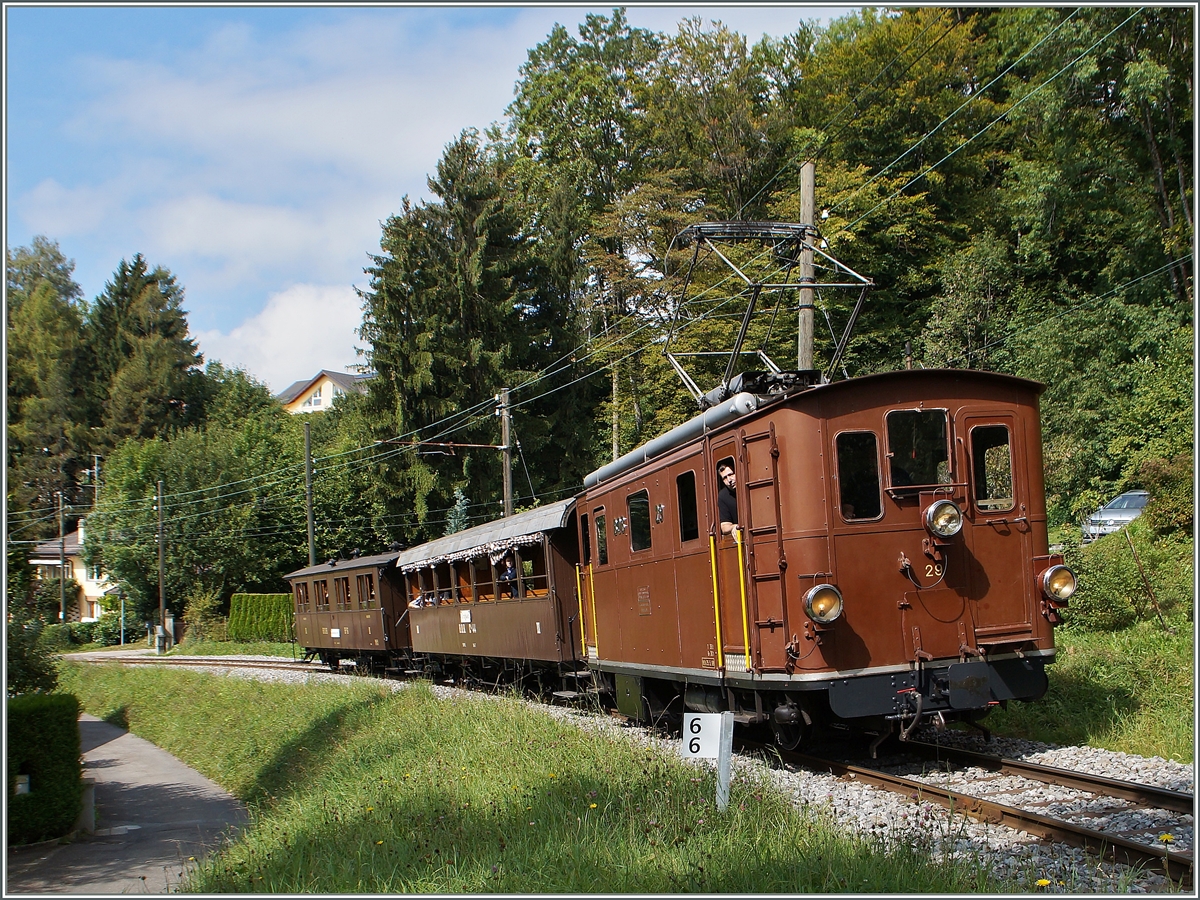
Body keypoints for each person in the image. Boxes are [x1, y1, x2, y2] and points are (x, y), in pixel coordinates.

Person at [717, 461, 739, 536]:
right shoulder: (723, 496)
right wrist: (734, 527)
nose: (729, 480)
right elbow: (724, 526)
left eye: (731, 474)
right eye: (725, 478)